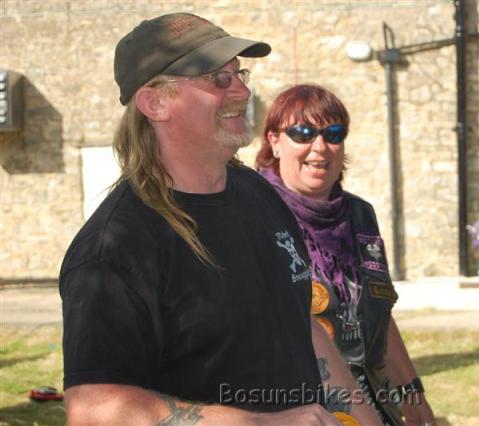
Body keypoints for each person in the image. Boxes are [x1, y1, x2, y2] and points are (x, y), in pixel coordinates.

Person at [59, 13, 380, 425]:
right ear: (156, 103)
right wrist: (260, 423)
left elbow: (301, 326)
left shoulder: (258, 195)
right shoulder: (116, 248)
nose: (243, 91)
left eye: (239, 74)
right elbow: (92, 409)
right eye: (219, 79)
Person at [256, 84, 437, 426]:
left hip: (371, 399)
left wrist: (414, 398)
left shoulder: (359, 215)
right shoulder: (254, 213)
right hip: (292, 406)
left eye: (333, 134)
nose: (319, 146)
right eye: (303, 133)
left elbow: (378, 317)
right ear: (275, 141)